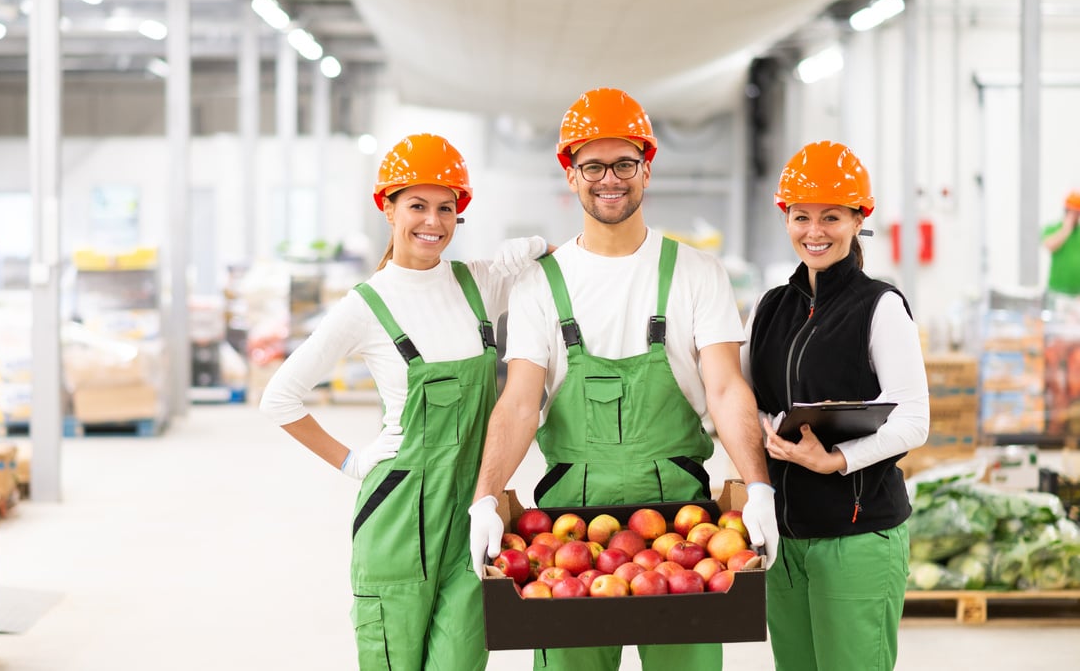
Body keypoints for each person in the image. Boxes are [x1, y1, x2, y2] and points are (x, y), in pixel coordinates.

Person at [467, 87, 778, 671]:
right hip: (560, 533)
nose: (609, 178)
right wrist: (486, 499)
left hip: (685, 528)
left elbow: (727, 388)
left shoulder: (696, 273)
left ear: (646, 168)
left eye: (624, 163)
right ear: (571, 173)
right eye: (592, 165)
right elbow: (517, 404)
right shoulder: (541, 284)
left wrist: (756, 485)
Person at [259, 133, 549, 671]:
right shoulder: (366, 305)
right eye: (417, 205)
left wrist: (536, 248)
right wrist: (352, 461)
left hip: (475, 503)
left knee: (462, 656)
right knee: (394, 659)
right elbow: (280, 398)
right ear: (387, 208)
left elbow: (564, 275)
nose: (432, 222)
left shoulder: (479, 283)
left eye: (446, 208)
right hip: (398, 509)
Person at [740, 140, 930, 671]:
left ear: (857, 219)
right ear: (786, 218)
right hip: (784, 537)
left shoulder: (881, 306)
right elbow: (739, 394)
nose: (814, 231)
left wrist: (835, 460)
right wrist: (759, 425)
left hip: (857, 535)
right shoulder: (771, 306)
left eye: (831, 217)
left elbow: (915, 421)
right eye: (801, 216)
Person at [1042, 191, 1080, 304]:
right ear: (1066, 211)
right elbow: (1050, 245)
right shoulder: (1053, 228)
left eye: (1077, 213)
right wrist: (1066, 229)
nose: (1075, 216)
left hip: (1077, 294)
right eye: (1072, 212)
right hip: (1057, 293)